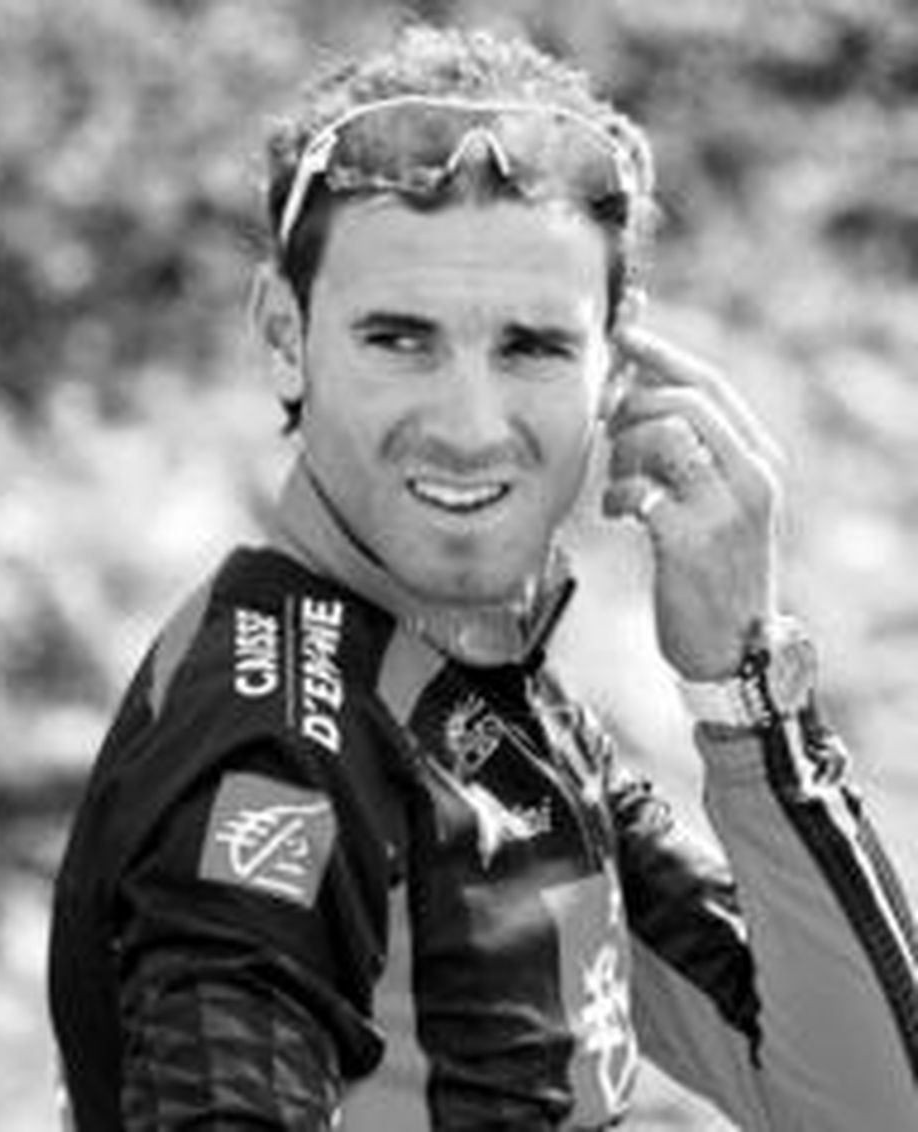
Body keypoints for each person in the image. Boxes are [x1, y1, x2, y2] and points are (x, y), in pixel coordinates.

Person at [46, 25, 918, 1132]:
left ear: (615, 365)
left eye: (531, 347)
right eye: (399, 339)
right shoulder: (275, 740)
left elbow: (867, 1108)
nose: (469, 426)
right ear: (284, 335)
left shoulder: (485, 703)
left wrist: (741, 686)